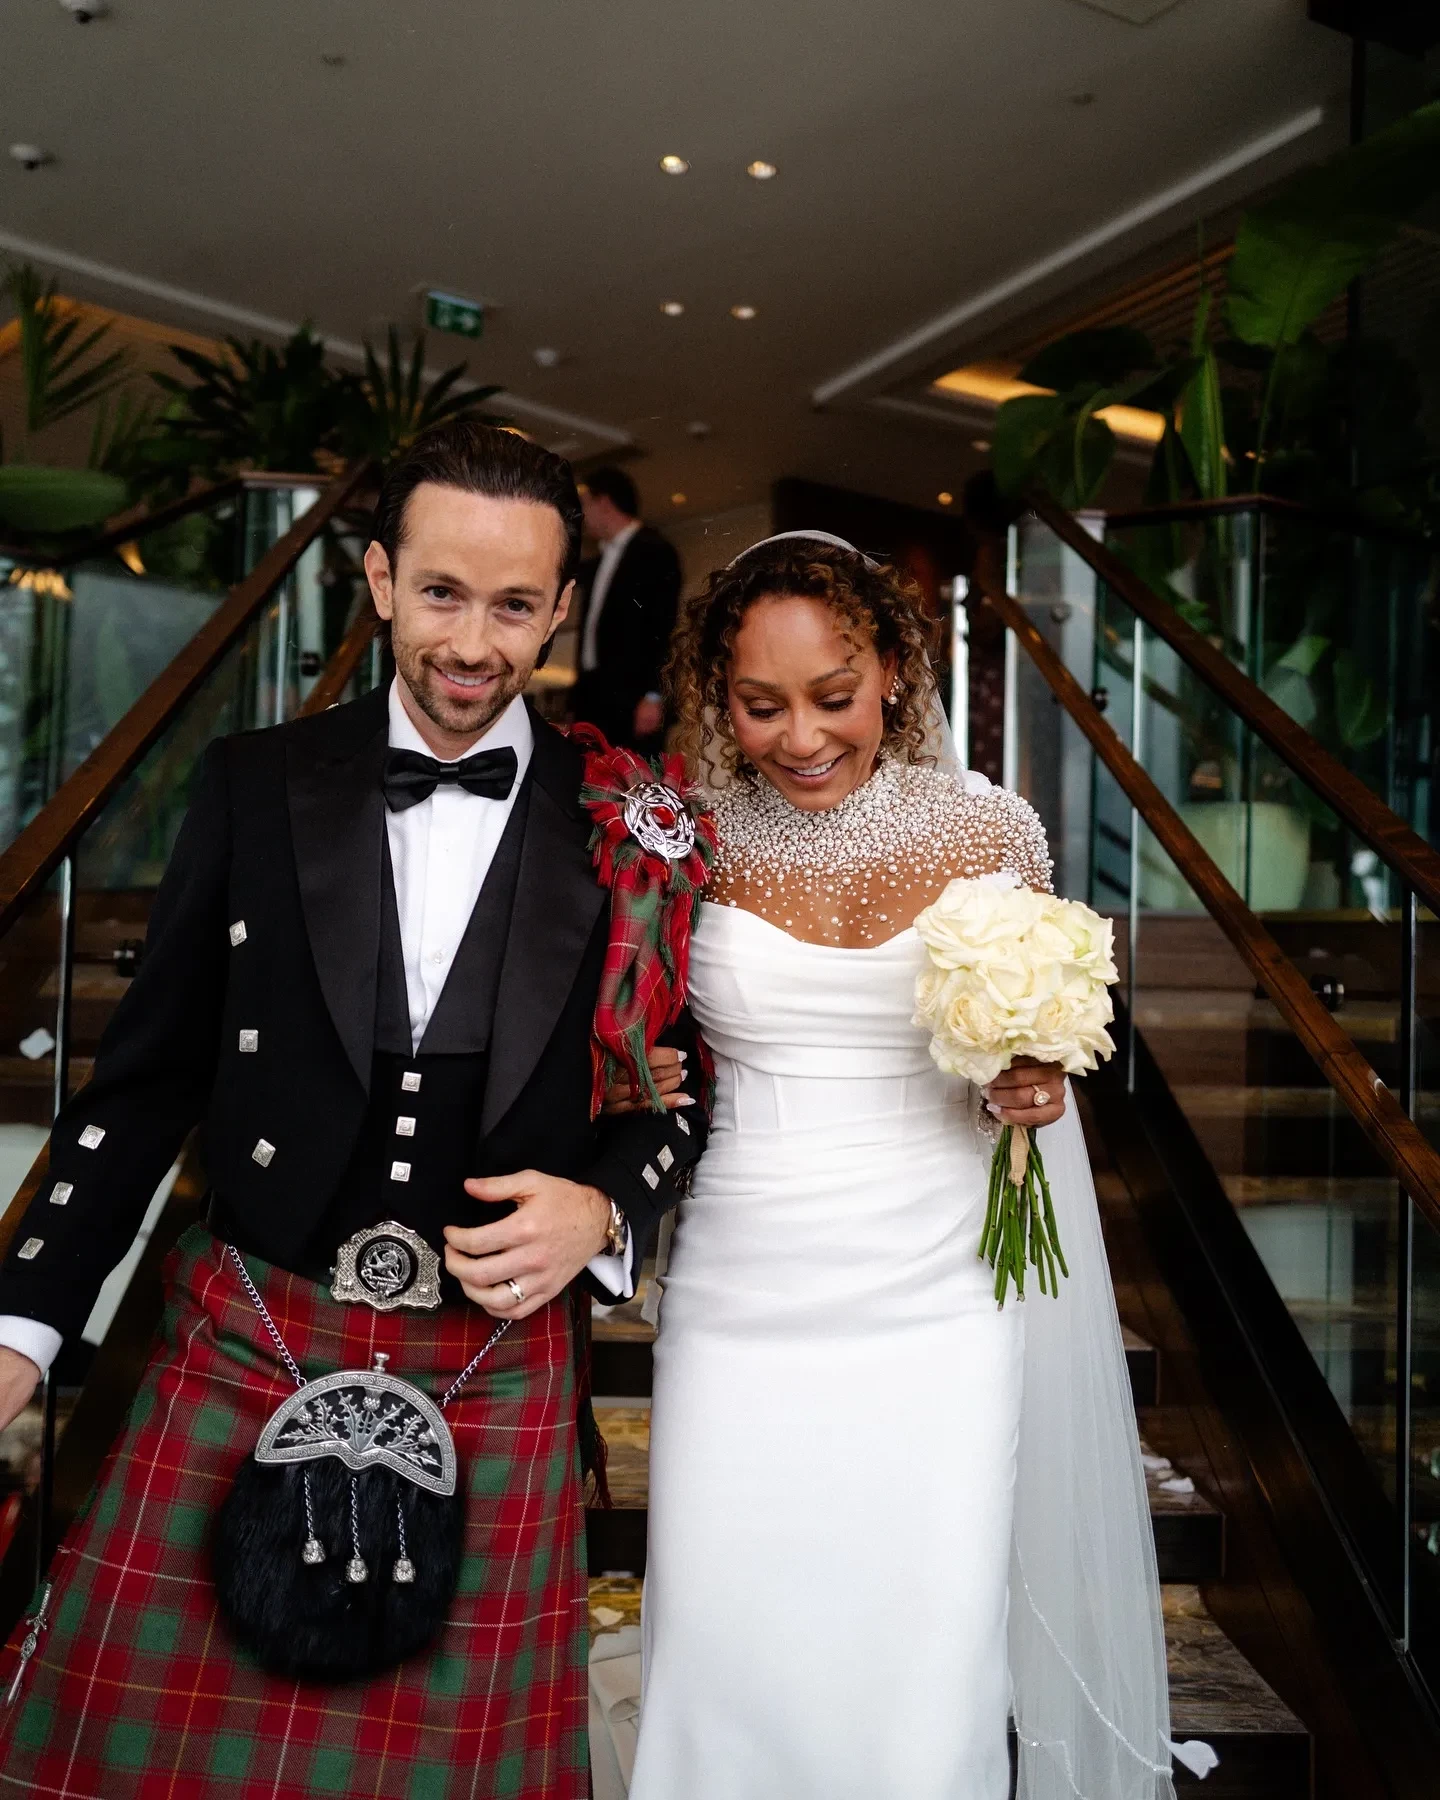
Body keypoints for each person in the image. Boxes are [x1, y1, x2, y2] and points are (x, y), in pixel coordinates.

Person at [0, 421, 704, 1799]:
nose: (473, 644)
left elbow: (685, 1083)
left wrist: (605, 1205)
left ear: (564, 608)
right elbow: (143, 1084)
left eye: (515, 607)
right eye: (441, 592)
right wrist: (22, 1327)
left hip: (490, 1355)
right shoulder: (255, 782)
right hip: (254, 1324)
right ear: (379, 578)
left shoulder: (633, 824)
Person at [625, 533, 1179, 1799]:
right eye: (761, 705)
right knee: (726, 1624)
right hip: (745, 1283)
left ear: (890, 669)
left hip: (942, 1285)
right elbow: (633, 1036)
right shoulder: (683, 841)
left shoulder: (991, 830)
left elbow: (1032, 1052)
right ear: (718, 698)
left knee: (926, 1636)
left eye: (834, 696)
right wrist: (627, 1071)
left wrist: (1034, 1084)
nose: (802, 737)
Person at [570, 467, 682, 752]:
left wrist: (654, 695)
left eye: (586, 504)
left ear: (604, 502)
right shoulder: (600, 560)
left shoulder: (653, 551)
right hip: (595, 695)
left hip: (633, 699)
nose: (583, 515)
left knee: (634, 772)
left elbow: (665, 626)